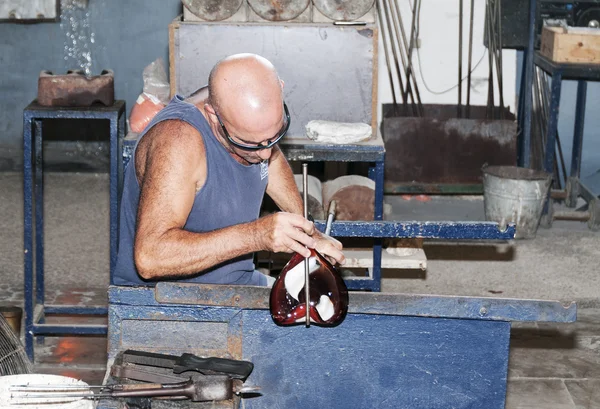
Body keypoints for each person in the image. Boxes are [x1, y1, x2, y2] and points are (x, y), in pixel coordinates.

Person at [113, 53, 345, 287]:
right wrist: (256, 235)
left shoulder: (246, 118)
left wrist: (309, 233)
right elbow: (150, 258)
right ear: (214, 116)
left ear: (280, 89)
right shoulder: (178, 142)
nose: (266, 154)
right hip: (170, 300)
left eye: (274, 137)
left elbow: (268, 157)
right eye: (249, 143)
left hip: (236, 282)